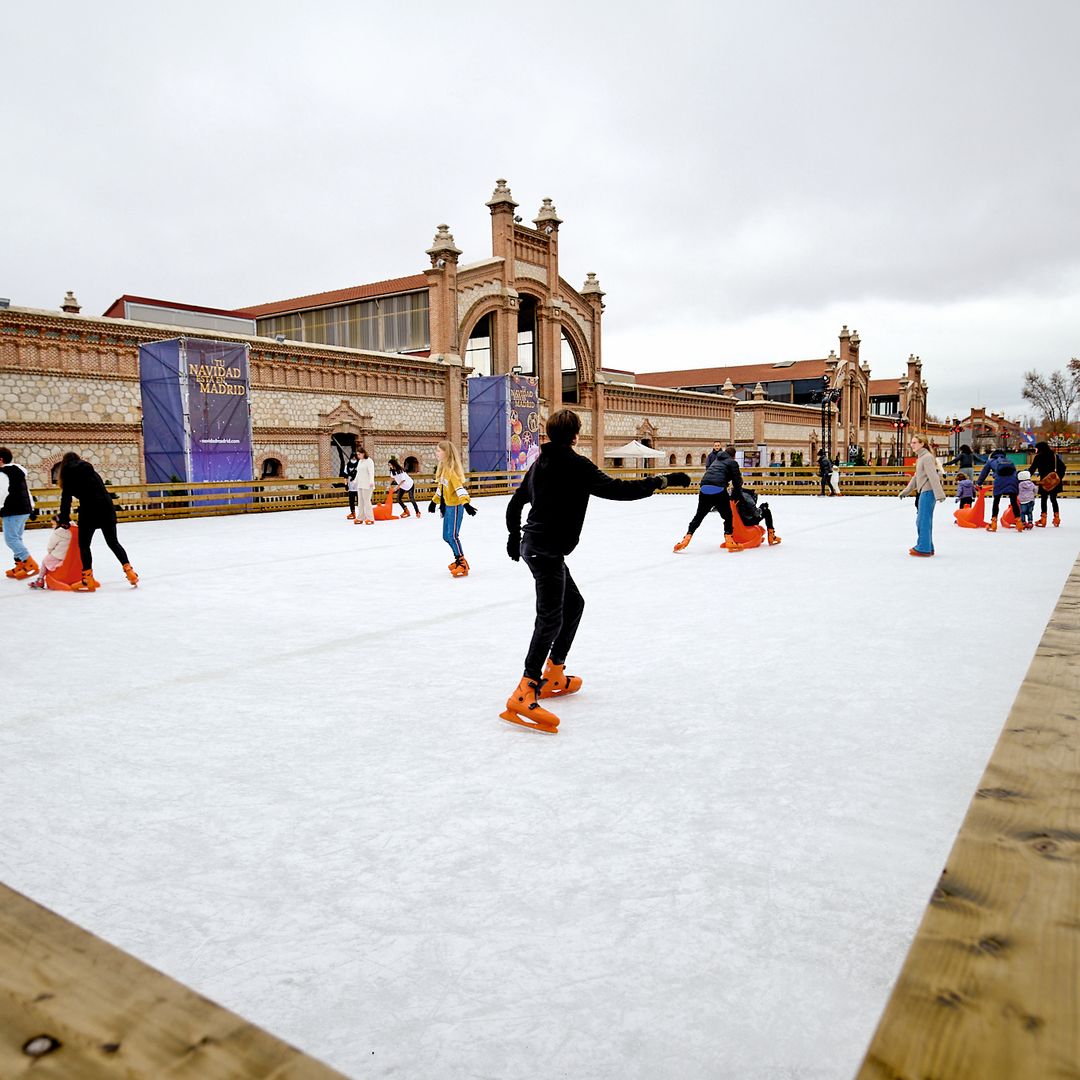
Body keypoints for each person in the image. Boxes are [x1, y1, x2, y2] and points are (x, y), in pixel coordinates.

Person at [503, 408, 691, 733]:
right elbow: (620, 490)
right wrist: (662, 480)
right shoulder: (576, 466)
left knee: (573, 605)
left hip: (538, 547)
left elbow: (516, 502)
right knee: (550, 617)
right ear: (575, 435)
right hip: (545, 551)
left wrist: (513, 535)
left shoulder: (540, 465)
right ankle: (525, 688)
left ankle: (555, 672)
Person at [57, 451, 138, 589]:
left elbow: (66, 500)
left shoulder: (68, 476)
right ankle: (130, 572)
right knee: (113, 542)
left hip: (89, 511)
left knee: (84, 546)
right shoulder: (91, 471)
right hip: (107, 508)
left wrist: (64, 519)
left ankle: (87, 579)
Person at [673, 444, 745, 552]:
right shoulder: (732, 462)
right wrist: (737, 495)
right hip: (719, 490)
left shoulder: (716, 460)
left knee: (699, 516)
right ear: (734, 456)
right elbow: (737, 481)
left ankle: (687, 537)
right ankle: (729, 539)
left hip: (704, 489)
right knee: (728, 516)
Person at [428, 441, 474, 576]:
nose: (436, 453)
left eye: (438, 451)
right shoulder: (443, 470)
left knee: (453, 536)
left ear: (446, 453)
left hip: (455, 507)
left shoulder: (451, 472)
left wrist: (466, 504)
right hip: (447, 507)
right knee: (446, 536)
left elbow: (460, 489)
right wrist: (433, 501)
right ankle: (458, 558)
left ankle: (462, 563)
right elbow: (441, 489)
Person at [899, 432, 946, 556]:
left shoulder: (927, 457)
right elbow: (916, 477)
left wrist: (939, 494)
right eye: (911, 443)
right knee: (922, 520)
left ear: (922, 444)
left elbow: (933, 476)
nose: (912, 445)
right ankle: (928, 546)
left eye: (914, 443)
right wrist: (906, 491)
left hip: (928, 492)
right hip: (923, 491)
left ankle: (923, 547)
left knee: (923, 520)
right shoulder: (921, 458)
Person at [1, 447, 39, 580]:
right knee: (17, 538)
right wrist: (32, 507)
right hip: (23, 509)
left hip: (12, 510)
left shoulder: (3, 474)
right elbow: (27, 491)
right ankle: (20, 565)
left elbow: (2, 494)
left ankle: (29, 563)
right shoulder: (17, 471)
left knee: (11, 539)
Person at [976, 448, 1022, 534]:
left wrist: (979, 483)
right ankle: (1019, 523)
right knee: (1014, 502)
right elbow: (1015, 472)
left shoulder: (991, 461)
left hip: (1000, 481)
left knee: (996, 501)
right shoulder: (1009, 460)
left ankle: (993, 523)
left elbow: (984, 473)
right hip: (1012, 481)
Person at [27, 517, 73, 589]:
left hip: (59, 555)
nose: (52, 526)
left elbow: (51, 546)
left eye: (53, 524)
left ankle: (40, 580)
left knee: (45, 561)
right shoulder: (74, 530)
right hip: (71, 556)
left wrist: (50, 552)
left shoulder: (57, 533)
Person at [1029, 440, 1066, 527]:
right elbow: (1063, 467)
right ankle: (1057, 519)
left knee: (1044, 499)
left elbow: (1032, 469)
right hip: (1054, 482)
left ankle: (1043, 519)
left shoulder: (1038, 457)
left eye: (1037, 448)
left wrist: (1024, 476)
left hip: (1044, 482)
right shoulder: (1054, 456)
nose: (1036, 450)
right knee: (1054, 499)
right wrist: (1058, 477)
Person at [352, 448, 375, 525]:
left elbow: (371, 472)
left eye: (359, 454)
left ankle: (370, 518)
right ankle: (360, 518)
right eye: (357, 454)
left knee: (367, 501)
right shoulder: (360, 462)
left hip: (368, 485)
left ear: (363, 453)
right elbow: (358, 472)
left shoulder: (369, 461)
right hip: (360, 484)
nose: (358, 456)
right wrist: (355, 481)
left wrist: (371, 481)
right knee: (360, 502)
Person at [343, 448, 360, 520]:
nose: (353, 458)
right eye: (352, 457)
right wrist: (345, 484)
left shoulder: (359, 464)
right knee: (351, 500)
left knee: (360, 500)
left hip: (358, 484)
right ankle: (353, 513)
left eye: (355, 456)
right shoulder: (347, 465)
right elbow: (345, 475)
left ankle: (361, 513)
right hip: (351, 485)